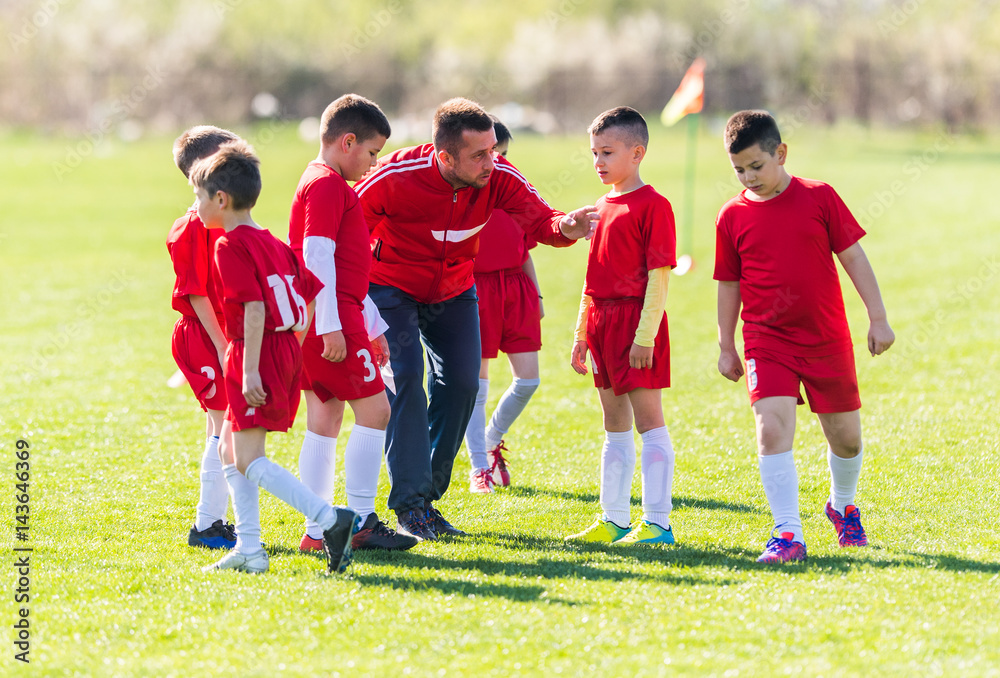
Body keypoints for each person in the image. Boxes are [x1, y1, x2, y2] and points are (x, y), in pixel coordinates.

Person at [355, 97, 598, 540]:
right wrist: (352, 303)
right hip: (391, 289)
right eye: (480, 155)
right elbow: (345, 231)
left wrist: (568, 226)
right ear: (444, 157)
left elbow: (541, 220)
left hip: (454, 291)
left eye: (493, 149)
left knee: (464, 384)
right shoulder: (391, 177)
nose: (493, 161)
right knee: (406, 378)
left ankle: (424, 493)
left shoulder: (499, 175)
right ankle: (412, 505)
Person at [714, 110, 895, 563]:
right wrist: (725, 343)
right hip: (765, 339)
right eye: (739, 169)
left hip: (825, 338)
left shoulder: (820, 197)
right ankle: (787, 534)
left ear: (781, 153)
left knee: (847, 439)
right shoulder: (731, 216)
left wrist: (878, 318)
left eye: (757, 165)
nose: (748, 177)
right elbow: (728, 284)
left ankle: (842, 504)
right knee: (771, 429)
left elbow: (854, 258)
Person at [191, 140, 359, 574]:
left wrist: (249, 369)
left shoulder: (228, 246)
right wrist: (290, 346)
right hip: (281, 348)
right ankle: (250, 548)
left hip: (256, 351)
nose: (196, 206)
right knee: (231, 449)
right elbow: (307, 294)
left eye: (199, 197)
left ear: (221, 199)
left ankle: (329, 518)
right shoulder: (273, 242)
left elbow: (254, 308)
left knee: (248, 458)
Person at [288, 94, 417, 552]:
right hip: (332, 320)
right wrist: (331, 326)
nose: (373, 162)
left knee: (324, 418)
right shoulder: (327, 185)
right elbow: (317, 257)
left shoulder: (318, 180)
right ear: (347, 142)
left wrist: (373, 325)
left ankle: (318, 529)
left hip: (334, 317)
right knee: (376, 411)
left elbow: (344, 266)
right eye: (372, 152)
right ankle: (360, 520)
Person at [565, 106, 678, 546]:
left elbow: (659, 278)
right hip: (601, 323)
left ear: (637, 152)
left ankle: (658, 523)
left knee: (649, 421)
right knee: (614, 424)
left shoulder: (654, 205)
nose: (599, 162)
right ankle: (613, 519)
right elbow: (592, 281)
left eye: (607, 152)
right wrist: (580, 334)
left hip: (636, 325)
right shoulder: (597, 207)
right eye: (594, 153)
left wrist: (644, 337)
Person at [167, 125, 241, 550]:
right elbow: (194, 293)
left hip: (220, 334)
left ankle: (215, 521)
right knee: (222, 424)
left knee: (224, 424)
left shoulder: (222, 217)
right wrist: (222, 344)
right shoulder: (191, 226)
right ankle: (208, 524)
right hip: (204, 335)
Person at [462, 116, 544, 494]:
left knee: (529, 379)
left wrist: (536, 293)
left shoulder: (514, 189)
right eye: (491, 154)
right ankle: (479, 465)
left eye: (504, 154)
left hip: (516, 288)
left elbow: (526, 247)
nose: (498, 163)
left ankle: (492, 436)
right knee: (476, 384)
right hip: (475, 289)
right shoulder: (465, 195)